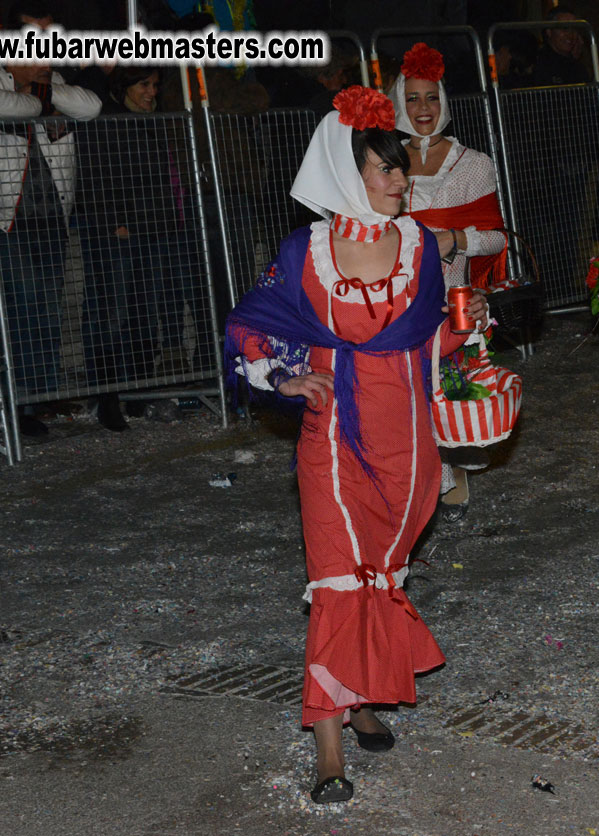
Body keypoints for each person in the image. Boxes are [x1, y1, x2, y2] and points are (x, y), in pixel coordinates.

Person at [225, 86, 489, 804]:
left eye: (400, 168)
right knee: (339, 583)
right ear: (347, 176)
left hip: (408, 443)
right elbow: (250, 321)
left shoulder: (416, 247)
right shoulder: (303, 252)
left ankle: (364, 695)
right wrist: (283, 375)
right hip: (334, 440)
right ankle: (328, 745)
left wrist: (468, 324)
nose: (401, 180)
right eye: (385, 170)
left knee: (381, 573)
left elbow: (428, 340)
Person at [392, 43, 511, 522]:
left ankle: (446, 462)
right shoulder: (383, 162)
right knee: (403, 385)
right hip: (396, 293)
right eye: (414, 98)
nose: (423, 109)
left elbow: (497, 238)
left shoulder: (473, 164)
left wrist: (455, 238)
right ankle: (426, 475)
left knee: (444, 383)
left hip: (448, 292)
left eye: (432, 98)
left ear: (446, 103)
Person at [0, 61, 101, 436]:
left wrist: (36, 96)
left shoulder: (55, 81)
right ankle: (20, 399)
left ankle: (43, 390)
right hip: (7, 216)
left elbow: (90, 107)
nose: (46, 61)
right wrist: (41, 101)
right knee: (22, 305)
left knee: (48, 305)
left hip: (52, 215)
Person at [77, 66, 200, 430]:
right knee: (112, 313)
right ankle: (108, 396)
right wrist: (114, 221)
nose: (152, 92)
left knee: (145, 312)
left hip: (153, 230)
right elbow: (93, 176)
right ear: (125, 86)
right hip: (121, 234)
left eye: (155, 85)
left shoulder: (151, 121)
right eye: (144, 84)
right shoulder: (106, 122)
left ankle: (139, 389)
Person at [531, 3, 590, 86]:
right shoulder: (539, 64)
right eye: (564, 28)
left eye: (574, 28)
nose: (570, 35)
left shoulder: (577, 67)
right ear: (549, 31)